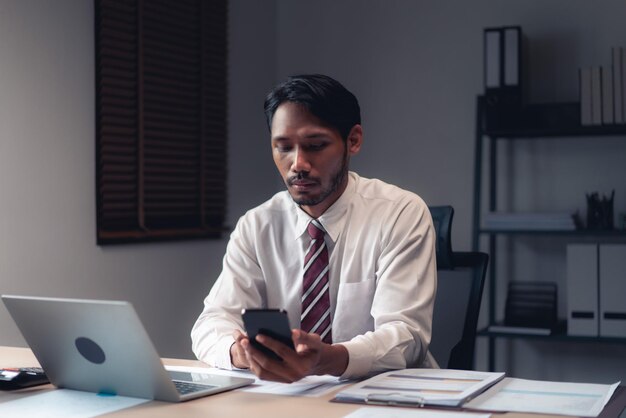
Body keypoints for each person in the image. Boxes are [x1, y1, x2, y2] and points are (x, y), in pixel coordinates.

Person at [191, 74, 437, 382]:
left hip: (386, 398)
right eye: (283, 148)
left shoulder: (400, 213)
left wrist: (328, 359)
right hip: (291, 399)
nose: (298, 164)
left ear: (354, 140)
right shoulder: (257, 225)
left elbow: (407, 336)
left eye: (315, 145)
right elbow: (211, 322)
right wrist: (239, 352)